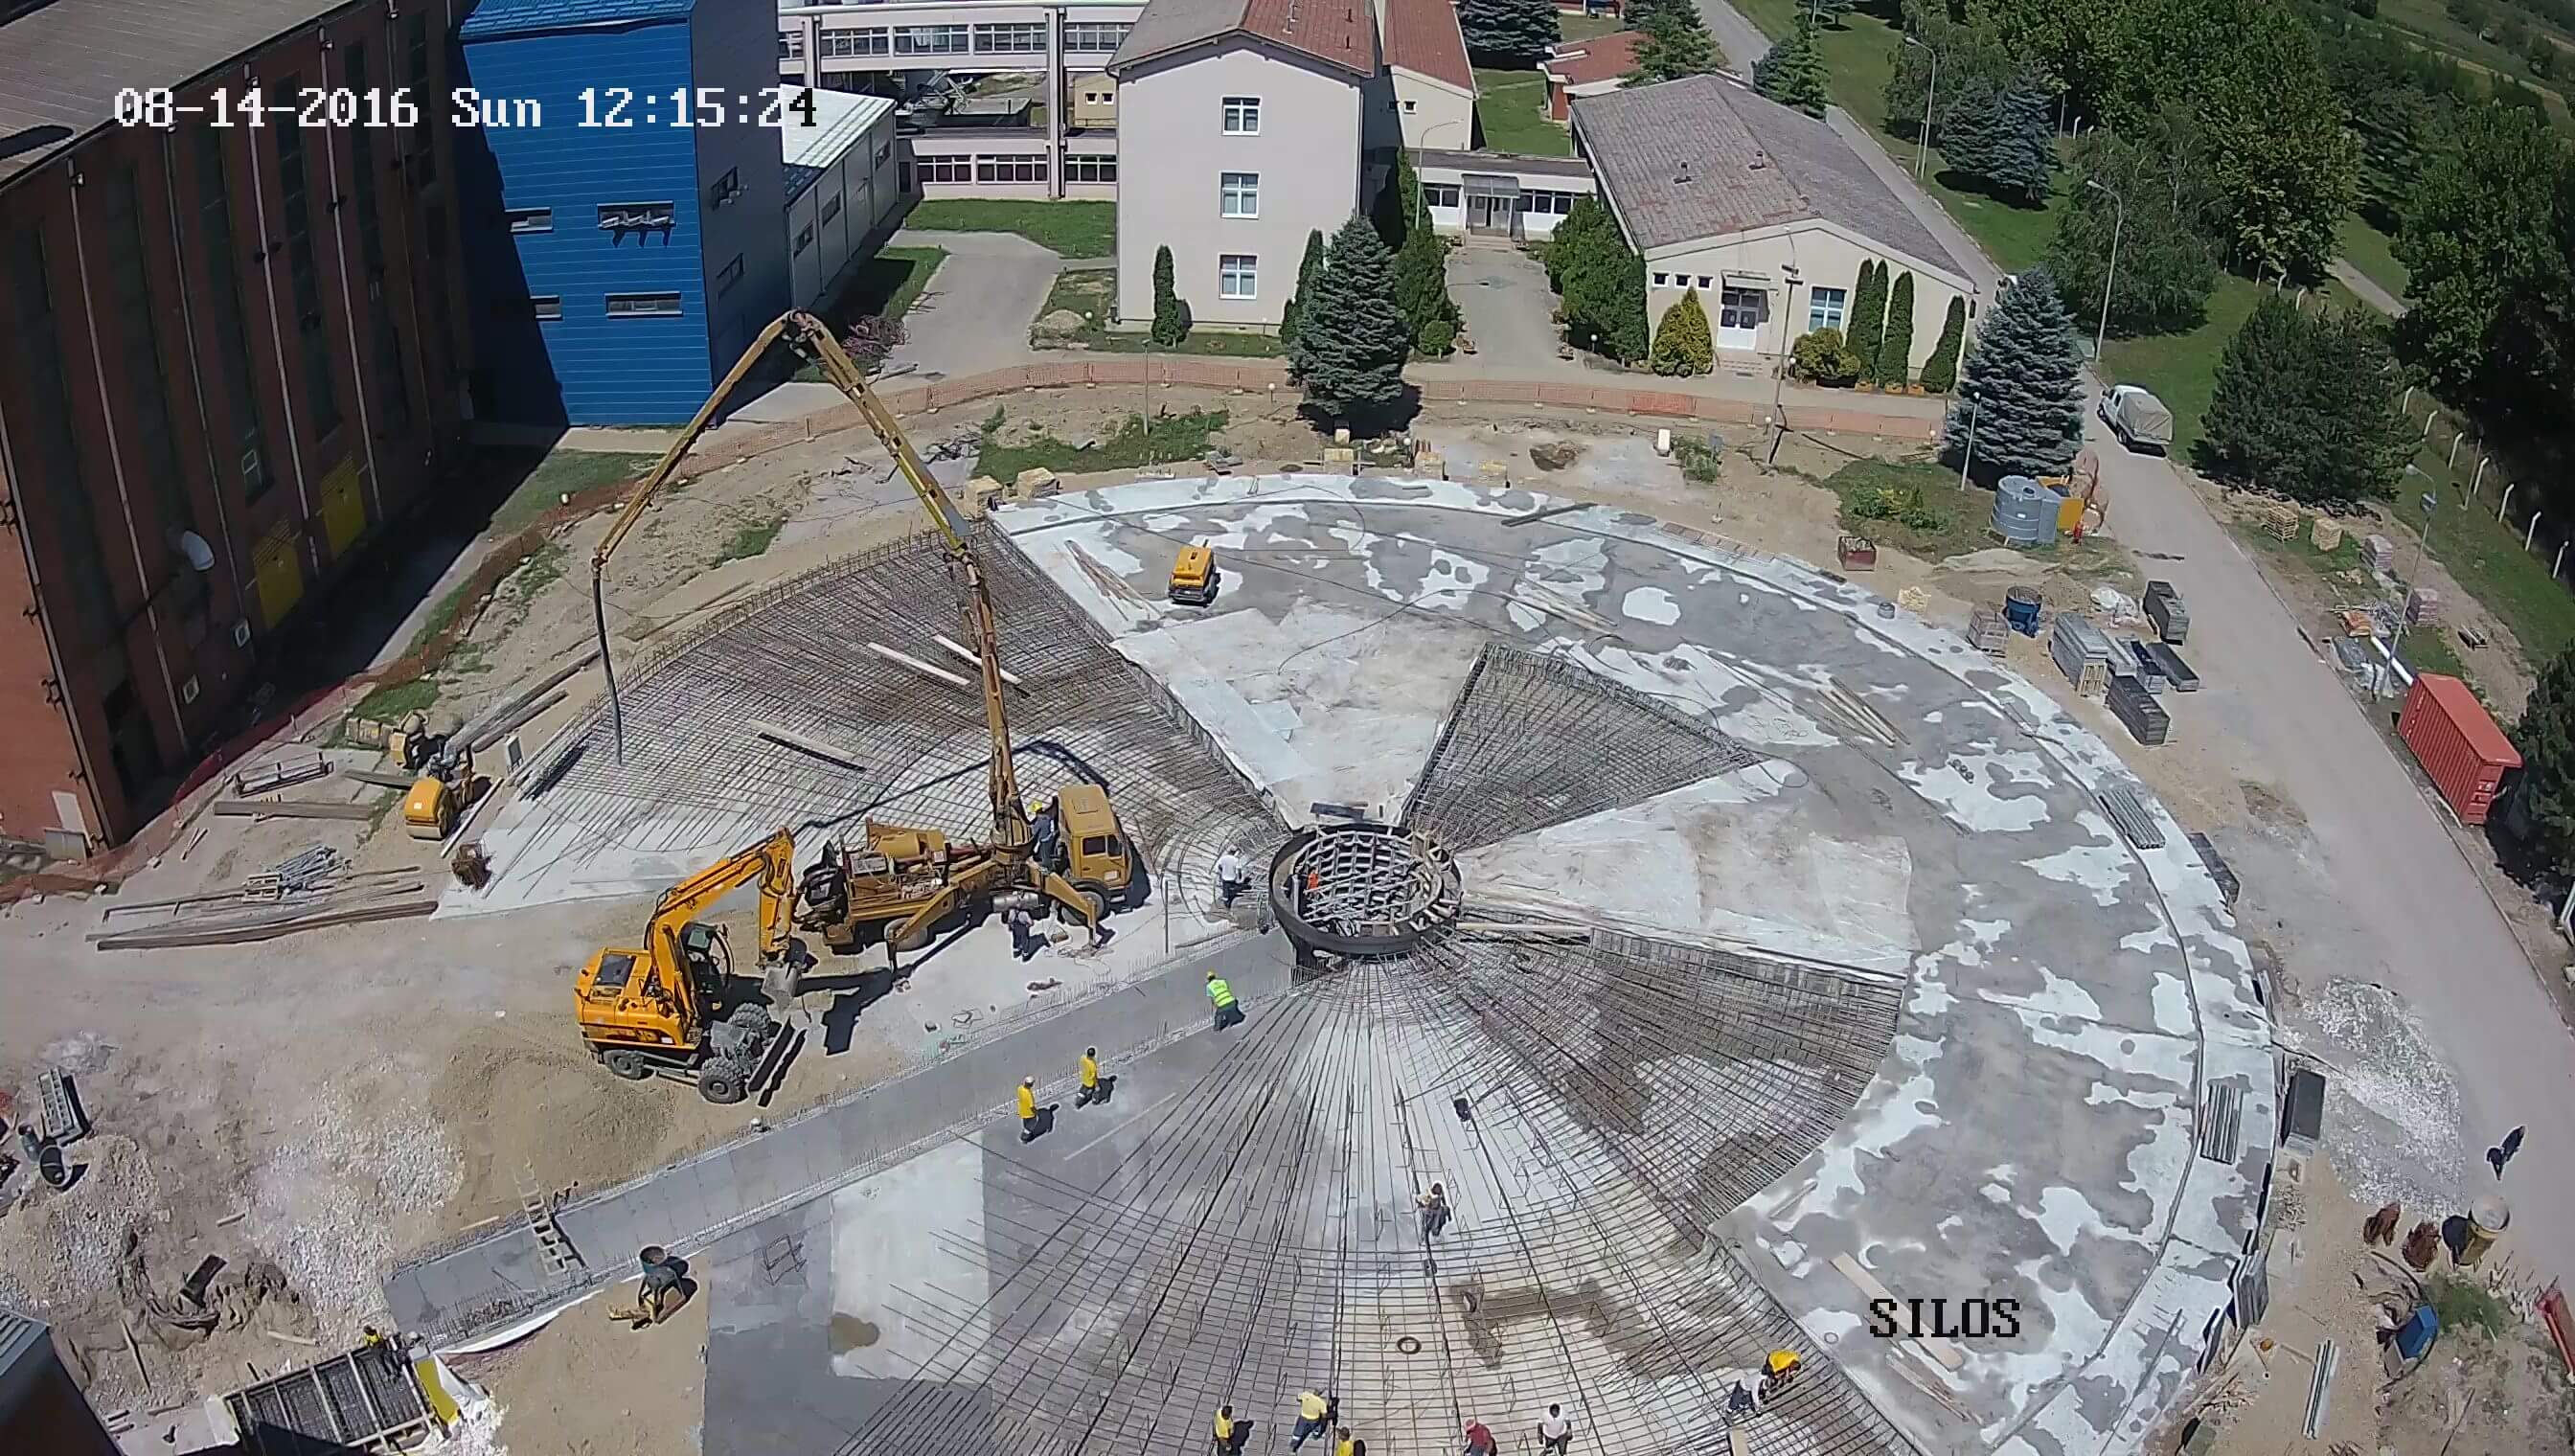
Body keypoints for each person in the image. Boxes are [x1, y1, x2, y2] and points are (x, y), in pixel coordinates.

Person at [1016, 1077, 1039, 1142]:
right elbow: (1032, 1107)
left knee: (1025, 1124)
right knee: (1030, 1126)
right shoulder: (1029, 1094)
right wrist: (1036, 1113)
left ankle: (1025, 1134)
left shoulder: (1020, 1088)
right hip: (1030, 1114)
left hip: (1022, 1111)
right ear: (1031, 1084)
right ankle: (1025, 1138)